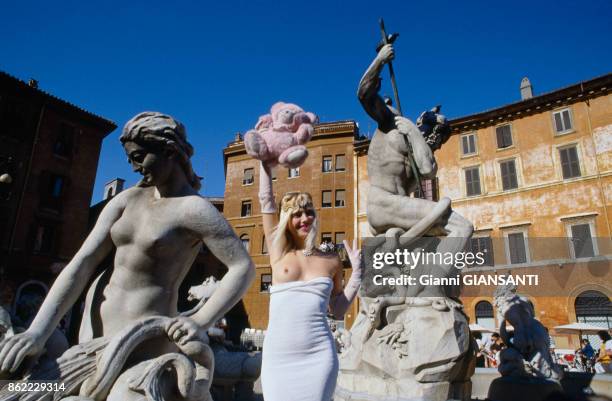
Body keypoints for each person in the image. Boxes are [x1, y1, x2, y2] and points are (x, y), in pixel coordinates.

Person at [0, 112, 255, 386]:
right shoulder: (126, 200)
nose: (134, 167)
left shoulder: (194, 209)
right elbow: (82, 263)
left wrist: (201, 320)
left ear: (168, 150)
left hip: (143, 342)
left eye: (139, 156)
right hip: (91, 333)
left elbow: (243, 267)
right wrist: (37, 331)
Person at [257, 160, 363, 401]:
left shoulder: (331, 260)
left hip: (319, 355)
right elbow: (266, 201)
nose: (305, 218)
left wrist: (356, 276)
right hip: (279, 357)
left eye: (309, 212)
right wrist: (264, 164)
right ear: (286, 219)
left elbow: (336, 311)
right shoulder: (278, 250)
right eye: (297, 214)